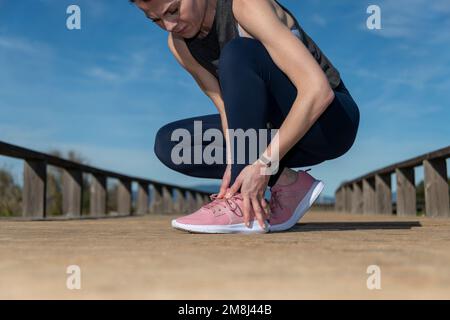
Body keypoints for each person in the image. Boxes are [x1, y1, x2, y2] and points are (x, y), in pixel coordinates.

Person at [130, 0, 360, 233]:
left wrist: (263, 166)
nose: (169, 25)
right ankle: (289, 184)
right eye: (156, 20)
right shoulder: (179, 45)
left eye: (173, 10)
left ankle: (242, 202)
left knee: (238, 51)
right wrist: (235, 163)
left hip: (328, 124)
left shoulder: (245, 5)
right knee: (172, 143)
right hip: (273, 132)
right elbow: (225, 109)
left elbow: (318, 92)